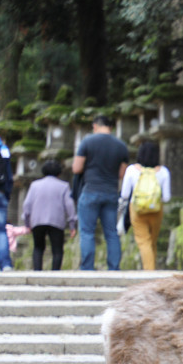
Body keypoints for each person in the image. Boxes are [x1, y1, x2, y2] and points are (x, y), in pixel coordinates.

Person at [73, 114, 129, 270]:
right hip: (111, 192)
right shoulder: (121, 146)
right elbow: (121, 174)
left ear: (95, 126)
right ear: (111, 127)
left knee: (87, 232)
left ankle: (87, 268)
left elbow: (76, 168)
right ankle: (114, 268)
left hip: (90, 190)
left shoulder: (87, 142)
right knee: (111, 233)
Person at [120, 141, 171, 270]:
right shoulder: (163, 171)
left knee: (143, 241)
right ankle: (151, 269)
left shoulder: (131, 170)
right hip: (156, 209)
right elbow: (166, 197)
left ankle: (149, 271)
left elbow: (125, 194)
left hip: (137, 209)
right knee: (152, 241)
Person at [22, 159, 77, 271]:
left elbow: (27, 204)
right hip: (56, 221)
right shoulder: (64, 186)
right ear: (59, 173)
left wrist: (27, 223)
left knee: (38, 247)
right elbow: (69, 205)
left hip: (37, 221)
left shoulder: (34, 185)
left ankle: (37, 271)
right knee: (57, 249)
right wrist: (72, 224)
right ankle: (55, 272)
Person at [0, 131, 13, 271]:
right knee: (0, 231)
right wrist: (6, 194)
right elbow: (8, 175)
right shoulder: (3, 149)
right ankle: (6, 264)